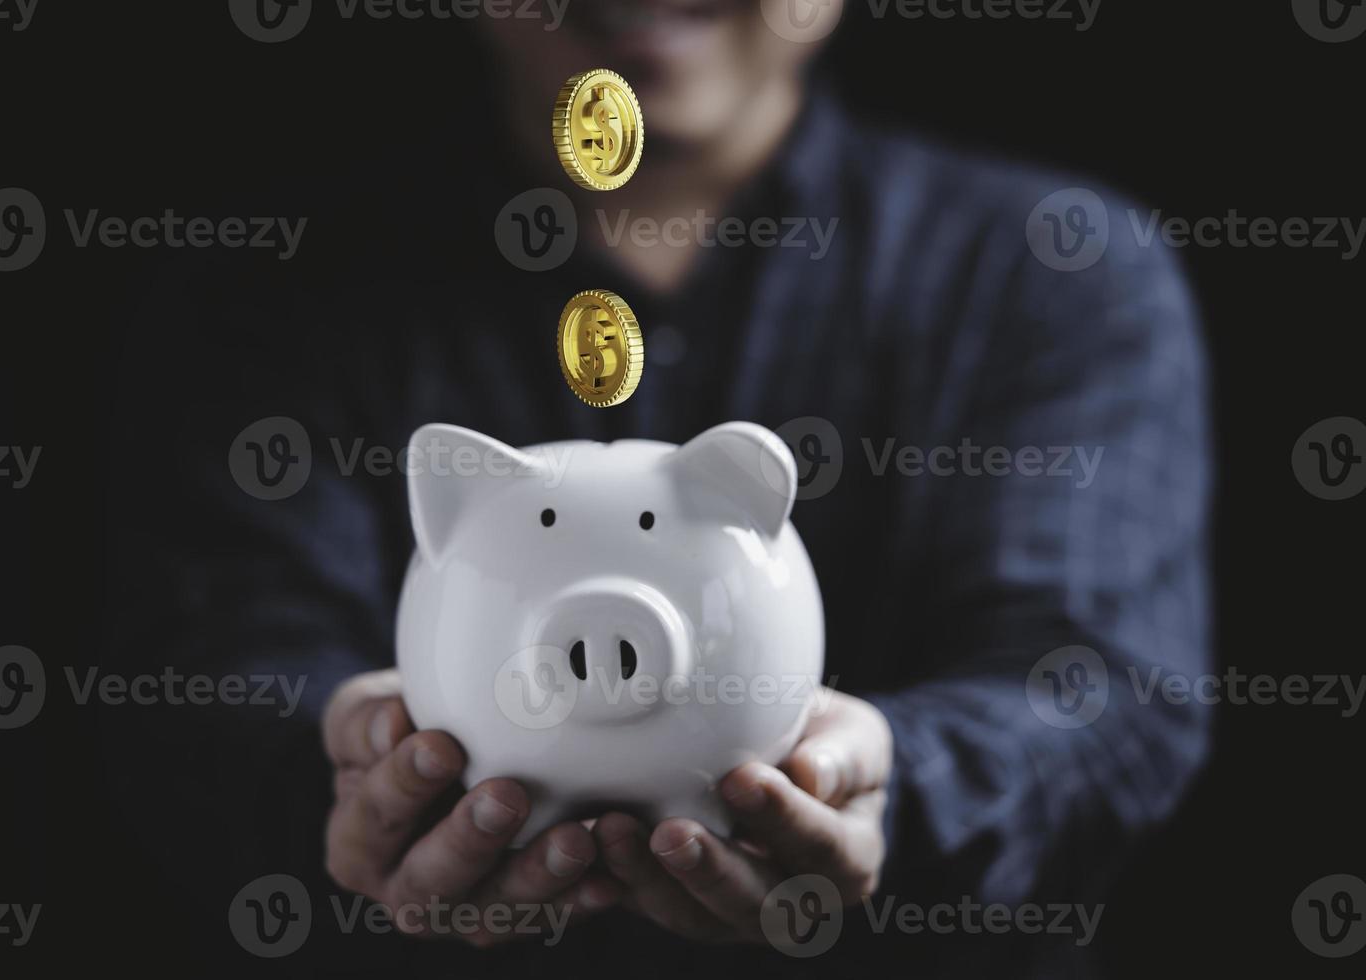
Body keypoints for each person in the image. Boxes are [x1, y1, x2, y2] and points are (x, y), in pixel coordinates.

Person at [105, 2, 1212, 974]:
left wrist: (887, 787)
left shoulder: (1051, 269)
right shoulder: (269, 296)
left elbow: (1094, 687)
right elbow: (203, 677)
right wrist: (339, 772)